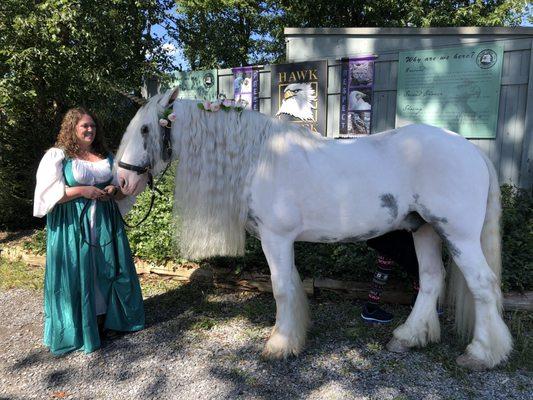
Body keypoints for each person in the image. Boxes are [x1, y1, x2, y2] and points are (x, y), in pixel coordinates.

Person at [33, 108, 145, 355]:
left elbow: (123, 188)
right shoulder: (58, 156)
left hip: (105, 220)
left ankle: (109, 318)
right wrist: (81, 191)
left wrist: (116, 192)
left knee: (106, 267)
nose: (90, 130)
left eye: (92, 126)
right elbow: (47, 196)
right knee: (79, 268)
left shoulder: (105, 155)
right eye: (84, 126)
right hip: (73, 224)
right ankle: (82, 324)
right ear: (72, 128)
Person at [361, 231, 420, 323]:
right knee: (414, 260)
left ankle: (371, 308)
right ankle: (418, 301)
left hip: (385, 229)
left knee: (385, 263)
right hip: (396, 230)